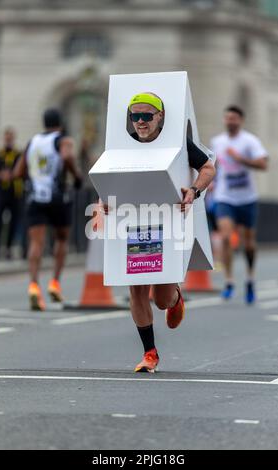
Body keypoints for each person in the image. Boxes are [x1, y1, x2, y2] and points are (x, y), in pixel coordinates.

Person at [102, 93, 215, 373]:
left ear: (160, 116)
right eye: (135, 116)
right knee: (137, 288)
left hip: (168, 223)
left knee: (162, 300)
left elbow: (208, 167)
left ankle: (176, 297)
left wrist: (194, 190)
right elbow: (108, 177)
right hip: (135, 222)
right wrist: (104, 203)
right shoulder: (122, 142)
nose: (140, 122)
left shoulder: (177, 141)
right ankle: (149, 353)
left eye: (146, 116)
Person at [13, 109, 82, 311]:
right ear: (60, 123)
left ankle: (34, 286)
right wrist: (76, 176)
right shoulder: (63, 140)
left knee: (36, 243)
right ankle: (55, 283)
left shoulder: (32, 142)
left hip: (35, 198)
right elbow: (67, 156)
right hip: (58, 197)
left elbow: (18, 171)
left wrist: (35, 179)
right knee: (61, 239)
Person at [210, 105, 268, 304]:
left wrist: (240, 159)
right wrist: (210, 182)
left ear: (241, 121)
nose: (230, 121)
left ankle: (250, 279)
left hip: (247, 198)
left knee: (248, 243)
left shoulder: (250, 141)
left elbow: (263, 164)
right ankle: (229, 281)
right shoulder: (217, 142)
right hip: (225, 197)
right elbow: (213, 167)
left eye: (234, 118)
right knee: (226, 237)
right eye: (227, 118)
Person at [0, 127, 23, 259]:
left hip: (15, 193)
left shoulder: (18, 155)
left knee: (14, 221)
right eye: (7, 137)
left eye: (11, 137)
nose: (8, 140)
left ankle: (8, 248)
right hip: (1, 192)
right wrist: (0, 175)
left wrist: (14, 175)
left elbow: (24, 172)